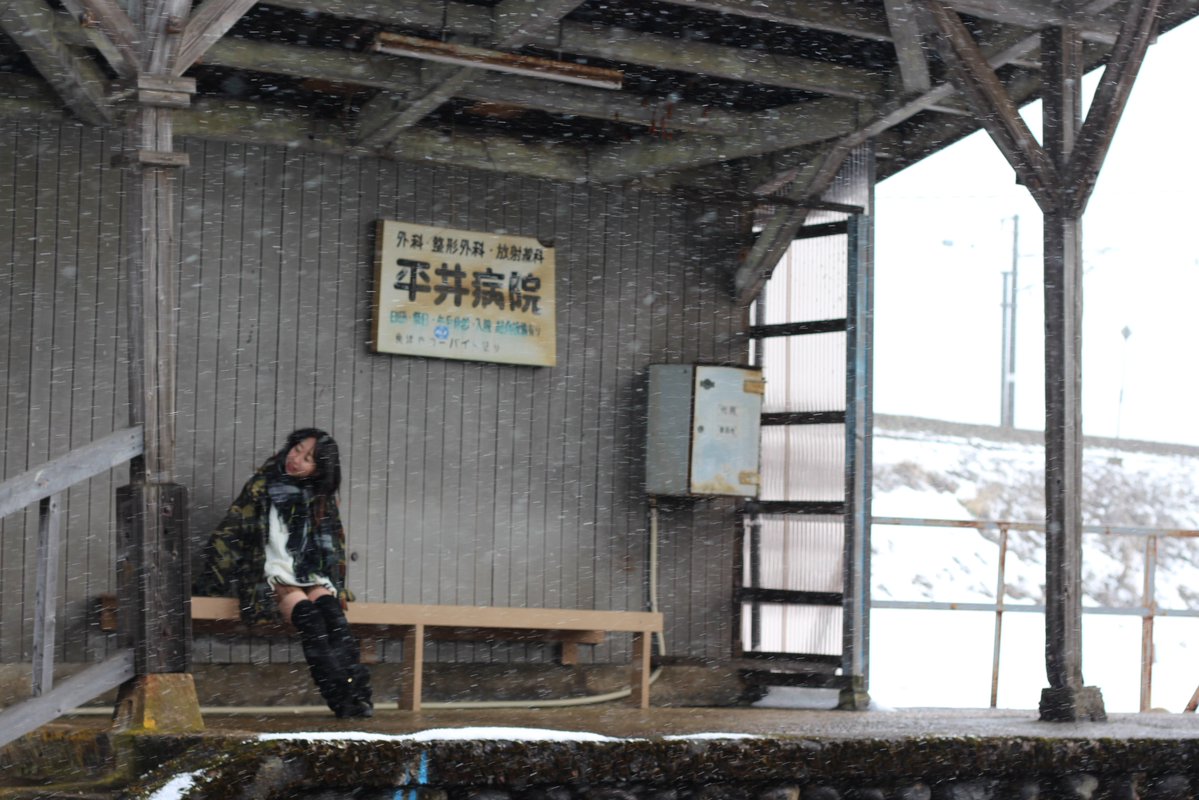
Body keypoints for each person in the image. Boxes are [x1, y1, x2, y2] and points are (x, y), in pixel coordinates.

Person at [195, 428, 373, 718]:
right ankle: (341, 698)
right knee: (311, 622)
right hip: (272, 572)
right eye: (297, 449)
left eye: (308, 458)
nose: (297, 459)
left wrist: (337, 587)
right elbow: (229, 535)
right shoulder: (261, 487)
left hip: (310, 573)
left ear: (319, 468)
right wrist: (210, 586)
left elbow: (334, 547)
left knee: (334, 619)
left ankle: (357, 691)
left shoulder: (321, 498)